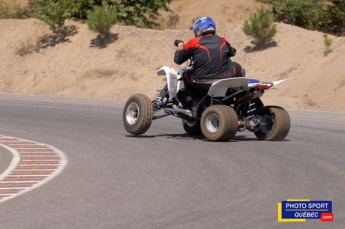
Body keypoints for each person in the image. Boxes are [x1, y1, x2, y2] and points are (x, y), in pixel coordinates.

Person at [156, 16, 245, 109]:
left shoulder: (194, 42)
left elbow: (178, 59)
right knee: (237, 67)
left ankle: (194, 102)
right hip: (226, 78)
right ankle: (240, 93)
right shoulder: (222, 40)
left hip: (203, 81)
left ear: (199, 29)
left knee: (185, 74)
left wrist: (180, 45)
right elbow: (233, 52)